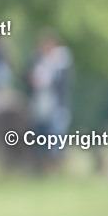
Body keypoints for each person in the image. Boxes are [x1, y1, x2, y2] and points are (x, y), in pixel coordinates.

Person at [26, 29, 74, 169]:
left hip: (56, 107)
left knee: (55, 138)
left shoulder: (62, 62)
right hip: (39, 108)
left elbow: (62, 83)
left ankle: (56, 167)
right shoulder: (36, 61)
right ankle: (43, 167)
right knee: (40, 140)